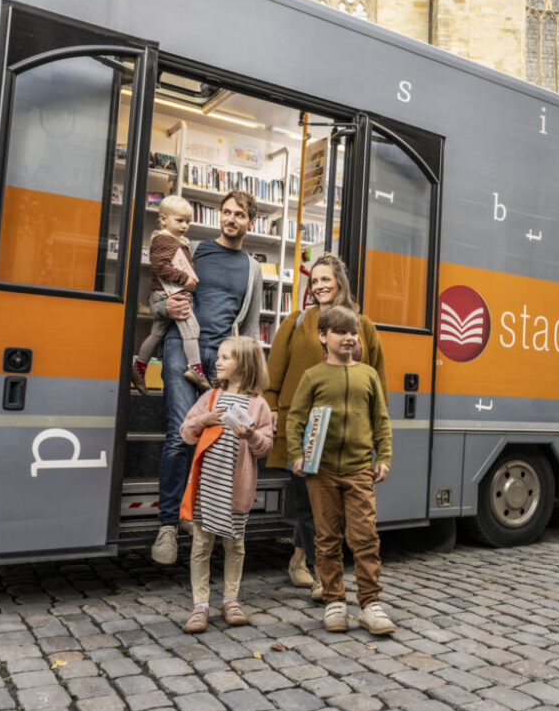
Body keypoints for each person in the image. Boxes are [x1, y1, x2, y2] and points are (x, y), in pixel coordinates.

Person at [264, 253, 386, 598]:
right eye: (313, 281)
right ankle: (322, 576)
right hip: (301, 426)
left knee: (331, 509)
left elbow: (377, 379)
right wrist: (272, 407)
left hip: (346, 434)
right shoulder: (297, 321)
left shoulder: (363, 325)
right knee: (307, 503)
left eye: (325, 280)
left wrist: (377, 431)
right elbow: (274, 371)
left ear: (340, 283)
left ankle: (300, 561)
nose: (318, 286)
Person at [153, 190, 263, 565]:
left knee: (216, 438)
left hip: (223, 359)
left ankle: (197, 513)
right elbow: (158, 291)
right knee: (180, 433)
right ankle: (168, 524)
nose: (231, 219)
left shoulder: (252, 267)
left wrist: (247, 377)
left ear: (251, 222)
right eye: (226, 212)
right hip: (180, 347)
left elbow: (249, 327)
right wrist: (163, 305)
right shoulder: (194, 249)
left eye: (239, 215)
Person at [288, 305, 394, 634]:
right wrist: (296, 454)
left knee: (365, 538)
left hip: (360, 469)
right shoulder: (313, 376)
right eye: (340, 332)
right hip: (321, 473)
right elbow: (296, 418)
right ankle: (334, 601)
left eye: (353, 333)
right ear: (323, 336)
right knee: (327, 539)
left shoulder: (368, 375)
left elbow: (381, 419)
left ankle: (370, 604)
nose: (349, 338)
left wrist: (383, 456)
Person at [177, 335, 274, 633]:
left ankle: (230, 600)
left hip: (236, 488)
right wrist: (204, 419)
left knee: (235, 545)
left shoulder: (259, 405)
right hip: (208, 487)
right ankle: (200, 605)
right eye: (219, 356)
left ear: (244, 364)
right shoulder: (211, 398)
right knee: (201, 544)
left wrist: (251, 437)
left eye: (225, 357)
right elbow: (185, 432)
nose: (217, 362)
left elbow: (265, 447)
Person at [131, 196, 210, 397]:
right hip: (171, 295)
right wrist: (184, 279)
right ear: (164, 219)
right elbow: (159, 267)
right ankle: (196, 369)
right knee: (192, 329)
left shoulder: (174, 240)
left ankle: (139, 367)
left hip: (166, 294)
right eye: (180, 220)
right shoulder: (164, 240)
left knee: (157, 333)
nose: (185, 226)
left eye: (188, 221)